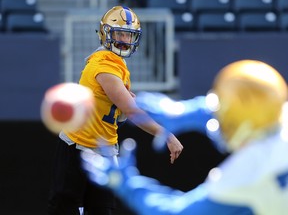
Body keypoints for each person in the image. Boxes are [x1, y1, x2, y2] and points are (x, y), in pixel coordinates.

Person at [82, 59, 288, 215]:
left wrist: (127, 185)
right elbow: (249, 107)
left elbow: (176, 212)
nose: (221, 123)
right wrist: (184, 111)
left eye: (227, 120)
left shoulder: (247, 173)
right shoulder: (279, 114)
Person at [47, 5, 183, 215]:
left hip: (106, 149)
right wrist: (165, 134)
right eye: (119, 33)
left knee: (102, 210)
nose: (124, 40)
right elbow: (132, 112)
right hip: (77, 147)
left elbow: (117, 112)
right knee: (65, 209)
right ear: (105, 33)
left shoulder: (115, 64)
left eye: (128, 35)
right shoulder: (103, 66)